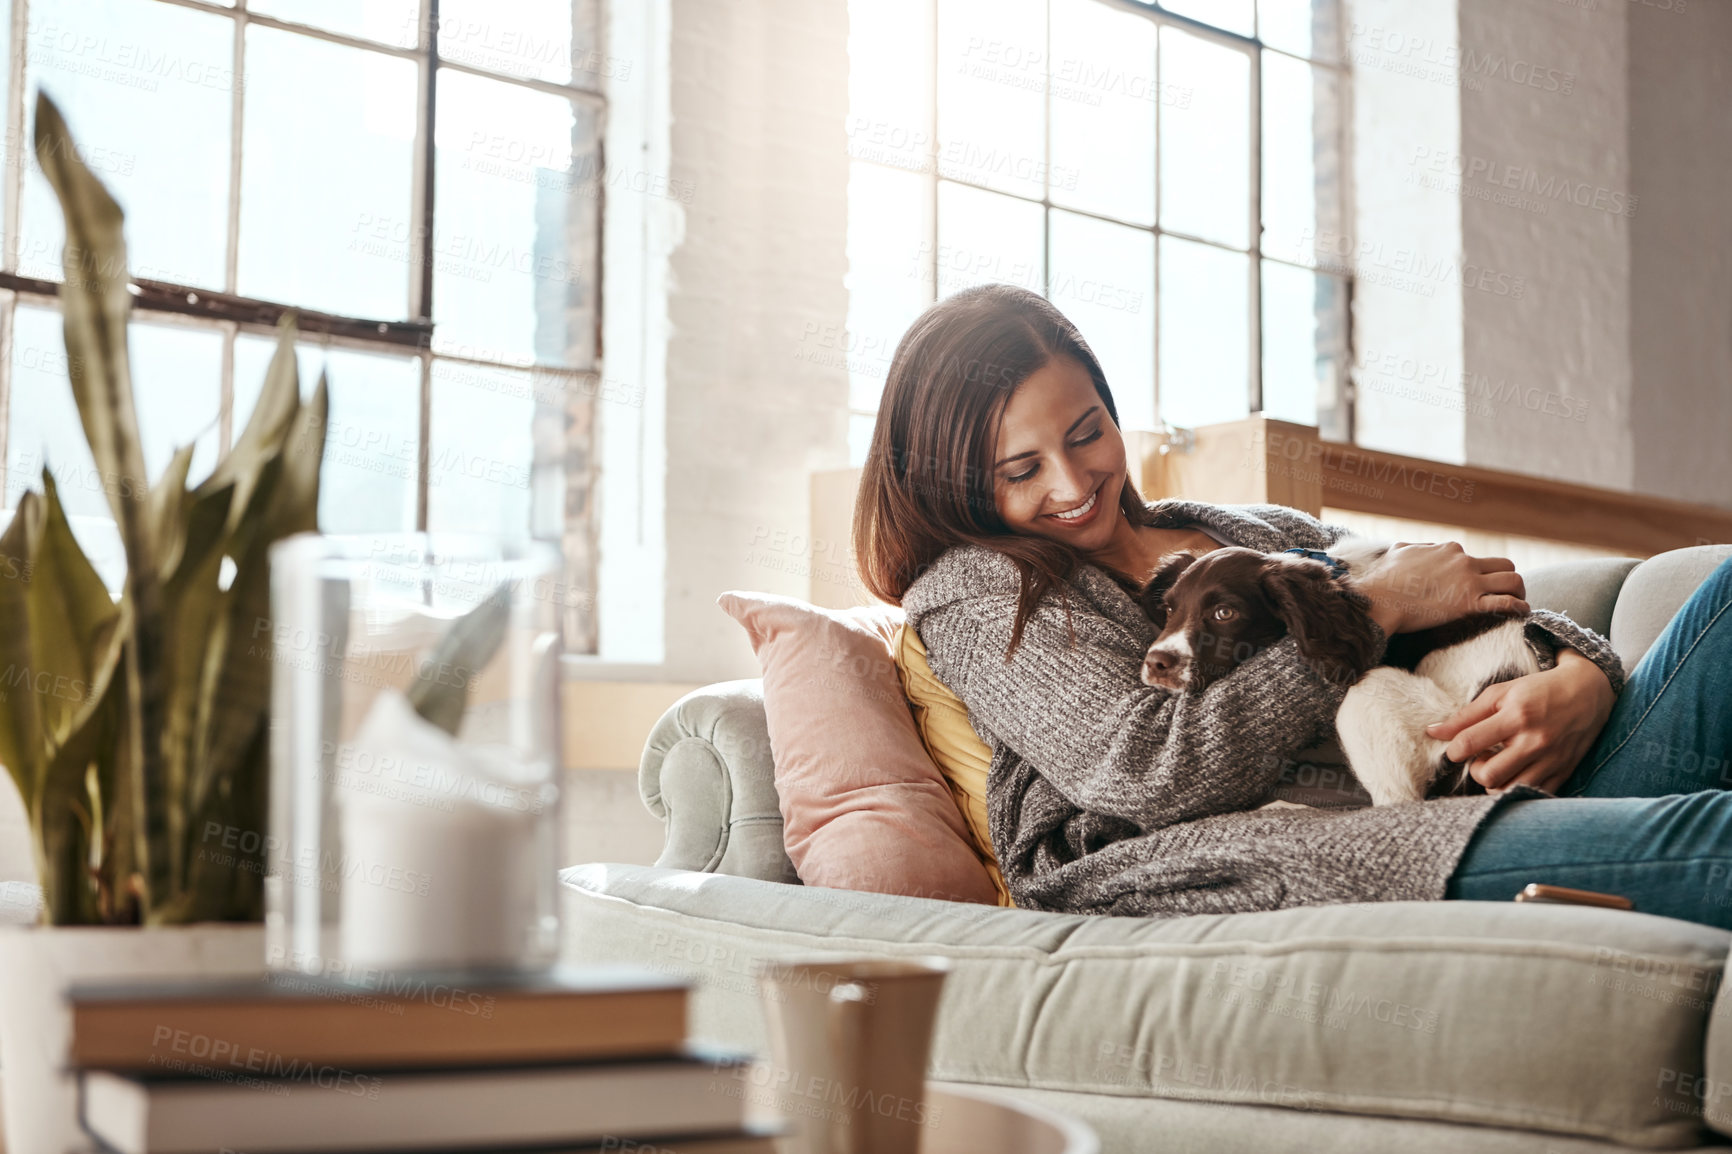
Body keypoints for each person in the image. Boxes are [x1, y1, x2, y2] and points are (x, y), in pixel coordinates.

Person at [853, 283, 1732, 926]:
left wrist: (1582, 676)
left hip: (1507, 764)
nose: (1074, 480)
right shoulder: (976, 590)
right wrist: (1374, 610)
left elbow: (1466, 599)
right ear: (958, 480)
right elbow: (1142, 770)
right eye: (1021, 469)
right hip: (1311, 842)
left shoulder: (1253, 526)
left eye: (1088, 432)